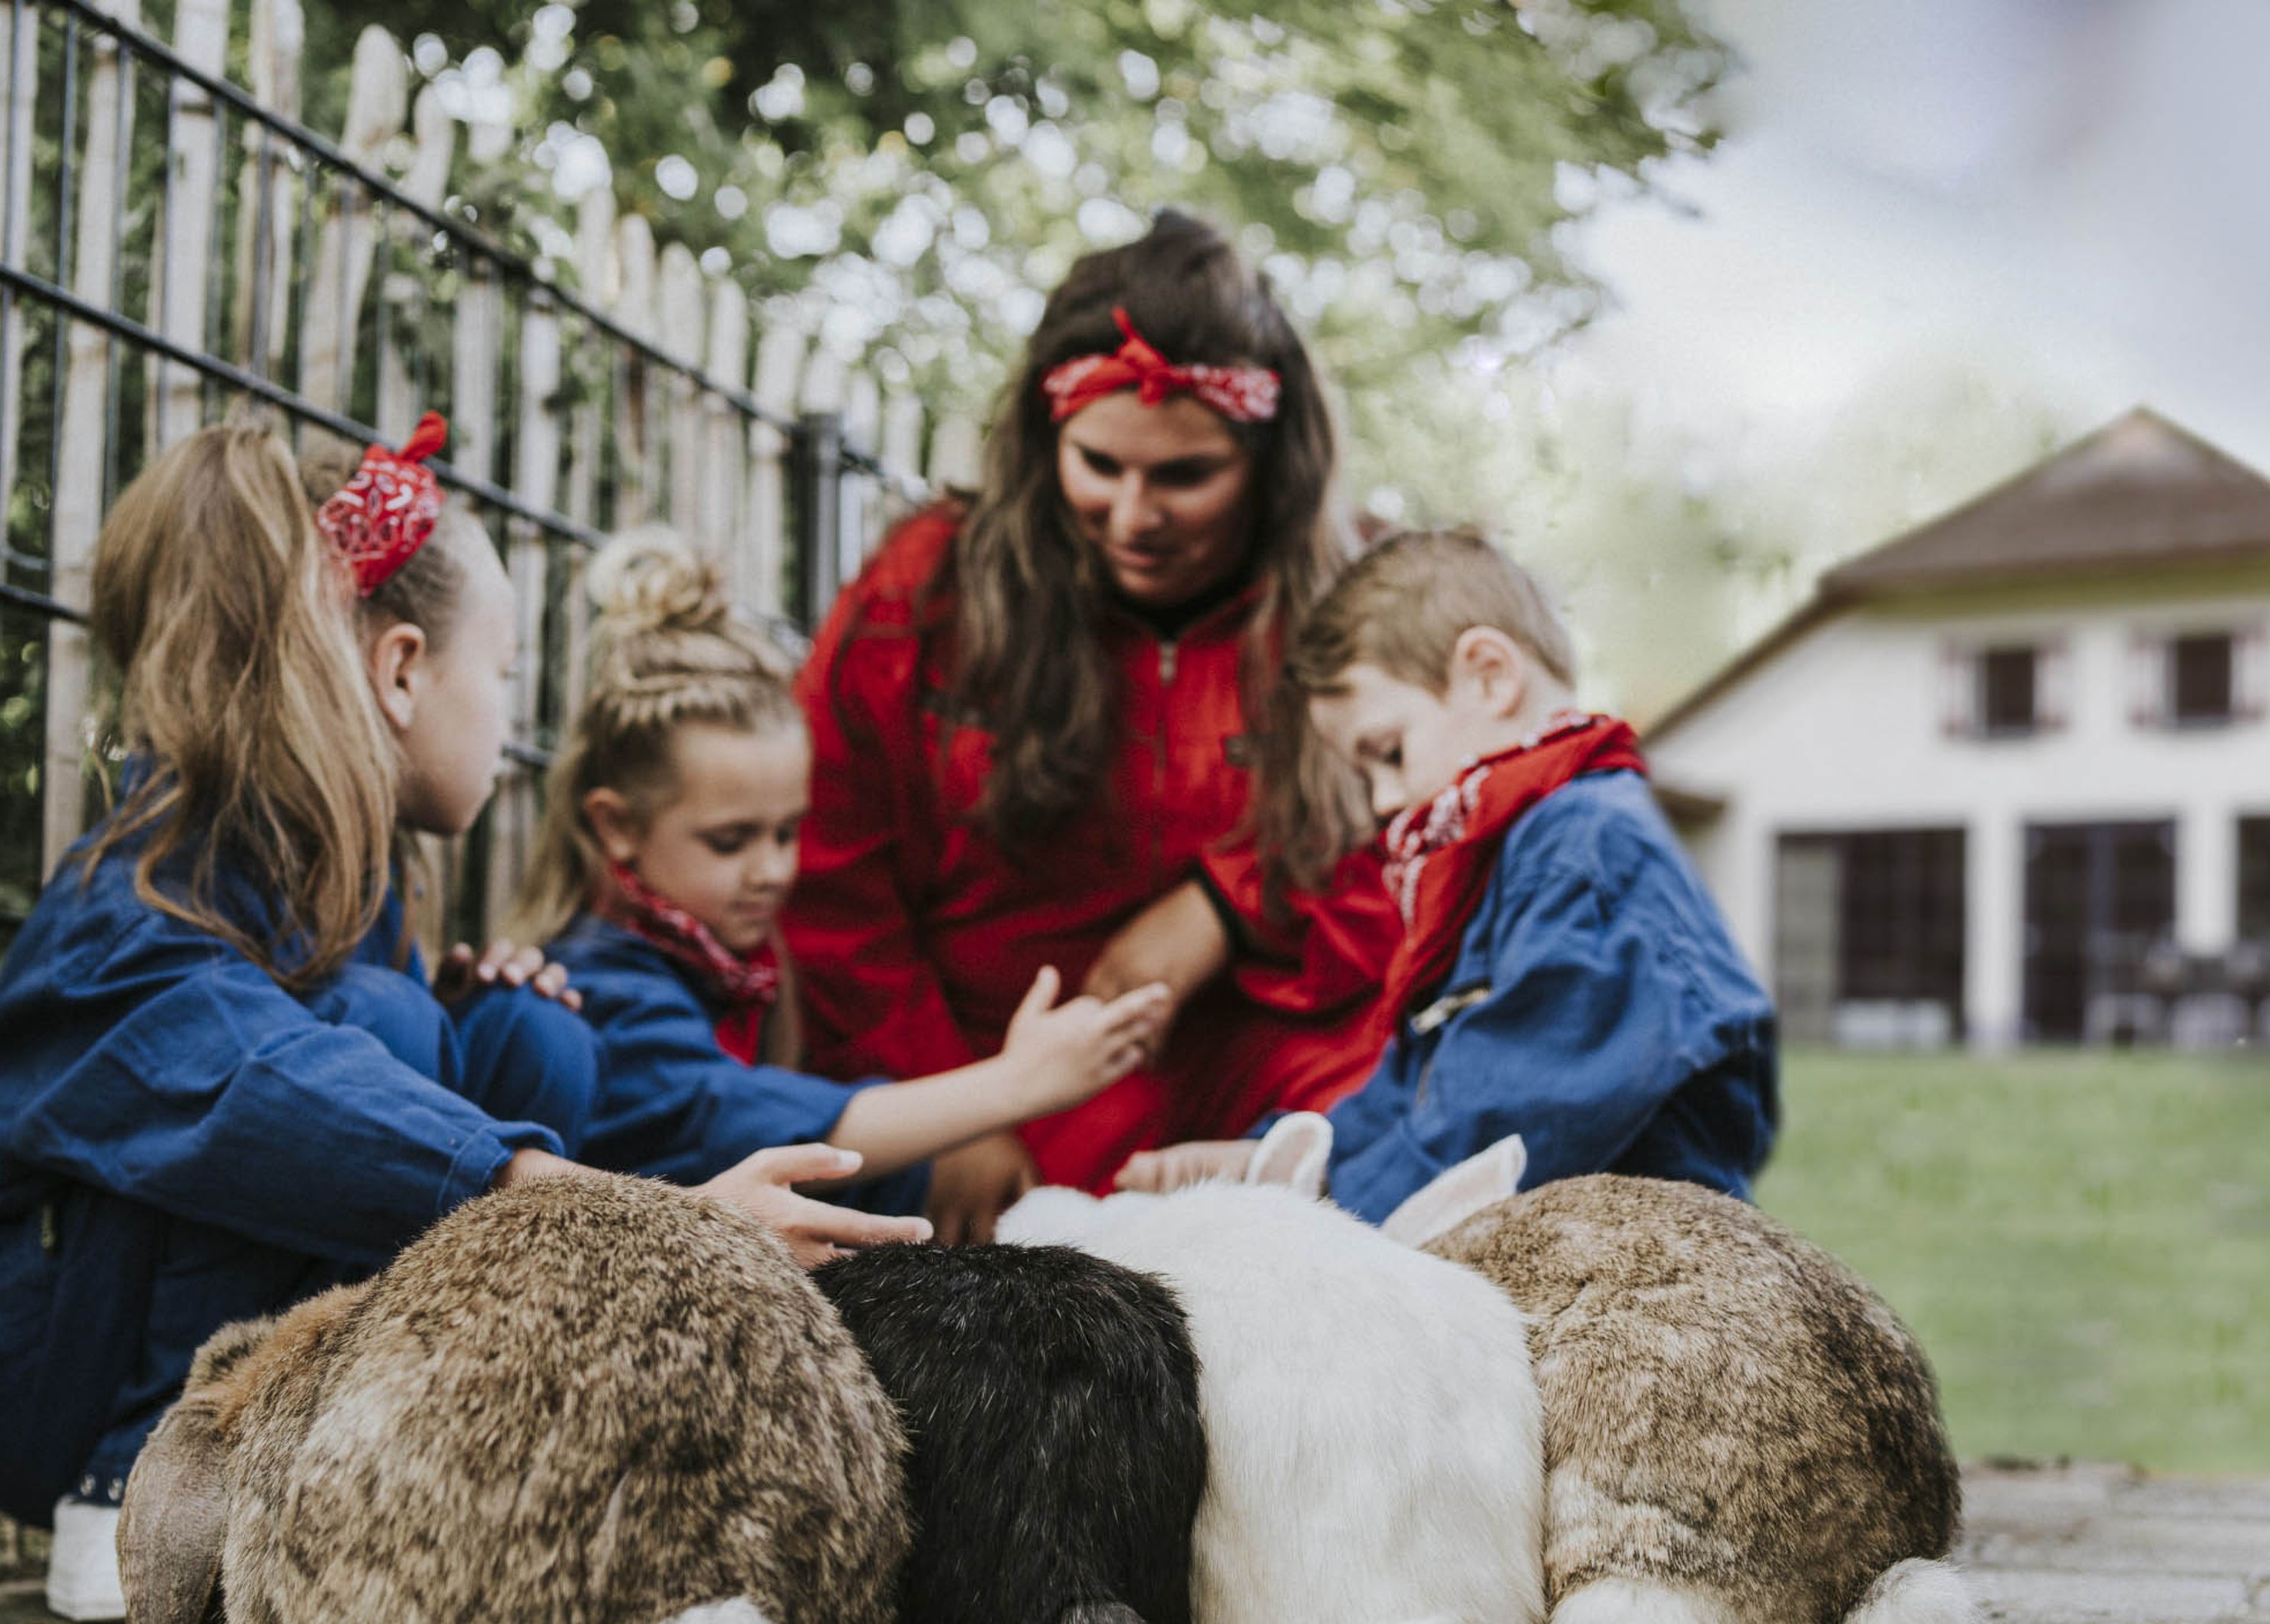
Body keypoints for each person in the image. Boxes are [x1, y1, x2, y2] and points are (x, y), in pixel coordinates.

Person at [0, 419, 925, 1624]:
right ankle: (136, 1490)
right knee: (379, 1028)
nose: (512, 719)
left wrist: (476, 1018)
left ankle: (357, 1469)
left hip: (100, 1314)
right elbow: (259, 1090)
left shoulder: (349, 871)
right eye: (507, 678)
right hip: (13, 1355)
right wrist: (646, 1225)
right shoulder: (163, 864)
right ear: (404, 670)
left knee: (532, 1041)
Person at [786, 211, 1400, 1239]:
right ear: (1045, 440)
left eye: (1185, 476)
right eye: (1100, 465)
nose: (1133, 515)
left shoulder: (1358, 607)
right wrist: (963, 1110)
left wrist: (1228, 899)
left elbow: (1428, 858)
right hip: (974, 1069)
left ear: (1270, 463)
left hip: (1265, 1063)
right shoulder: (923, 594)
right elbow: (835, 880)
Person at [1120, 529, 1780, 1222]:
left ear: (1491, 675)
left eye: (1389, 752)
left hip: (1641, 1266)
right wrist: (1275, 1159)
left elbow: (1504, 1126)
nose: (1381, 802)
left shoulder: (1587, 853)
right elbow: (1418, 1095)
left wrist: (1320, 1214)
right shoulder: (1498, 865)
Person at [509, 532, 1170, 1212]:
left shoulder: (732, 969)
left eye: (787, 833)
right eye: (730, 841)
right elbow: (738, 1120)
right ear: (616, 825)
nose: (771, 871)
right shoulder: (595, 989)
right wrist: (1016, 1083)